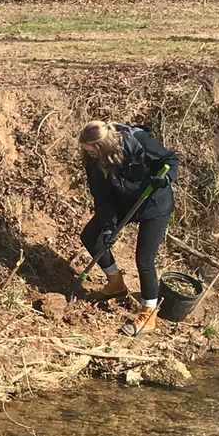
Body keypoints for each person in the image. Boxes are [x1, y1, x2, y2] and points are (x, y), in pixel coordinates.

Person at [78, 120, 179, 336]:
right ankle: (115, 284)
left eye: (92, 151)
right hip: (124, 203)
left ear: (104, 146)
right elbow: (101, 196)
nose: (89, 155)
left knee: (144, 259)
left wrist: (165, 179)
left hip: (153, 203)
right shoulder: (93, 162)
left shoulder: (138, 141)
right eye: (86, 151)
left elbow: (170, 159)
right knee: (91, 236)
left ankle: (149, 314)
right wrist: (108, 227)